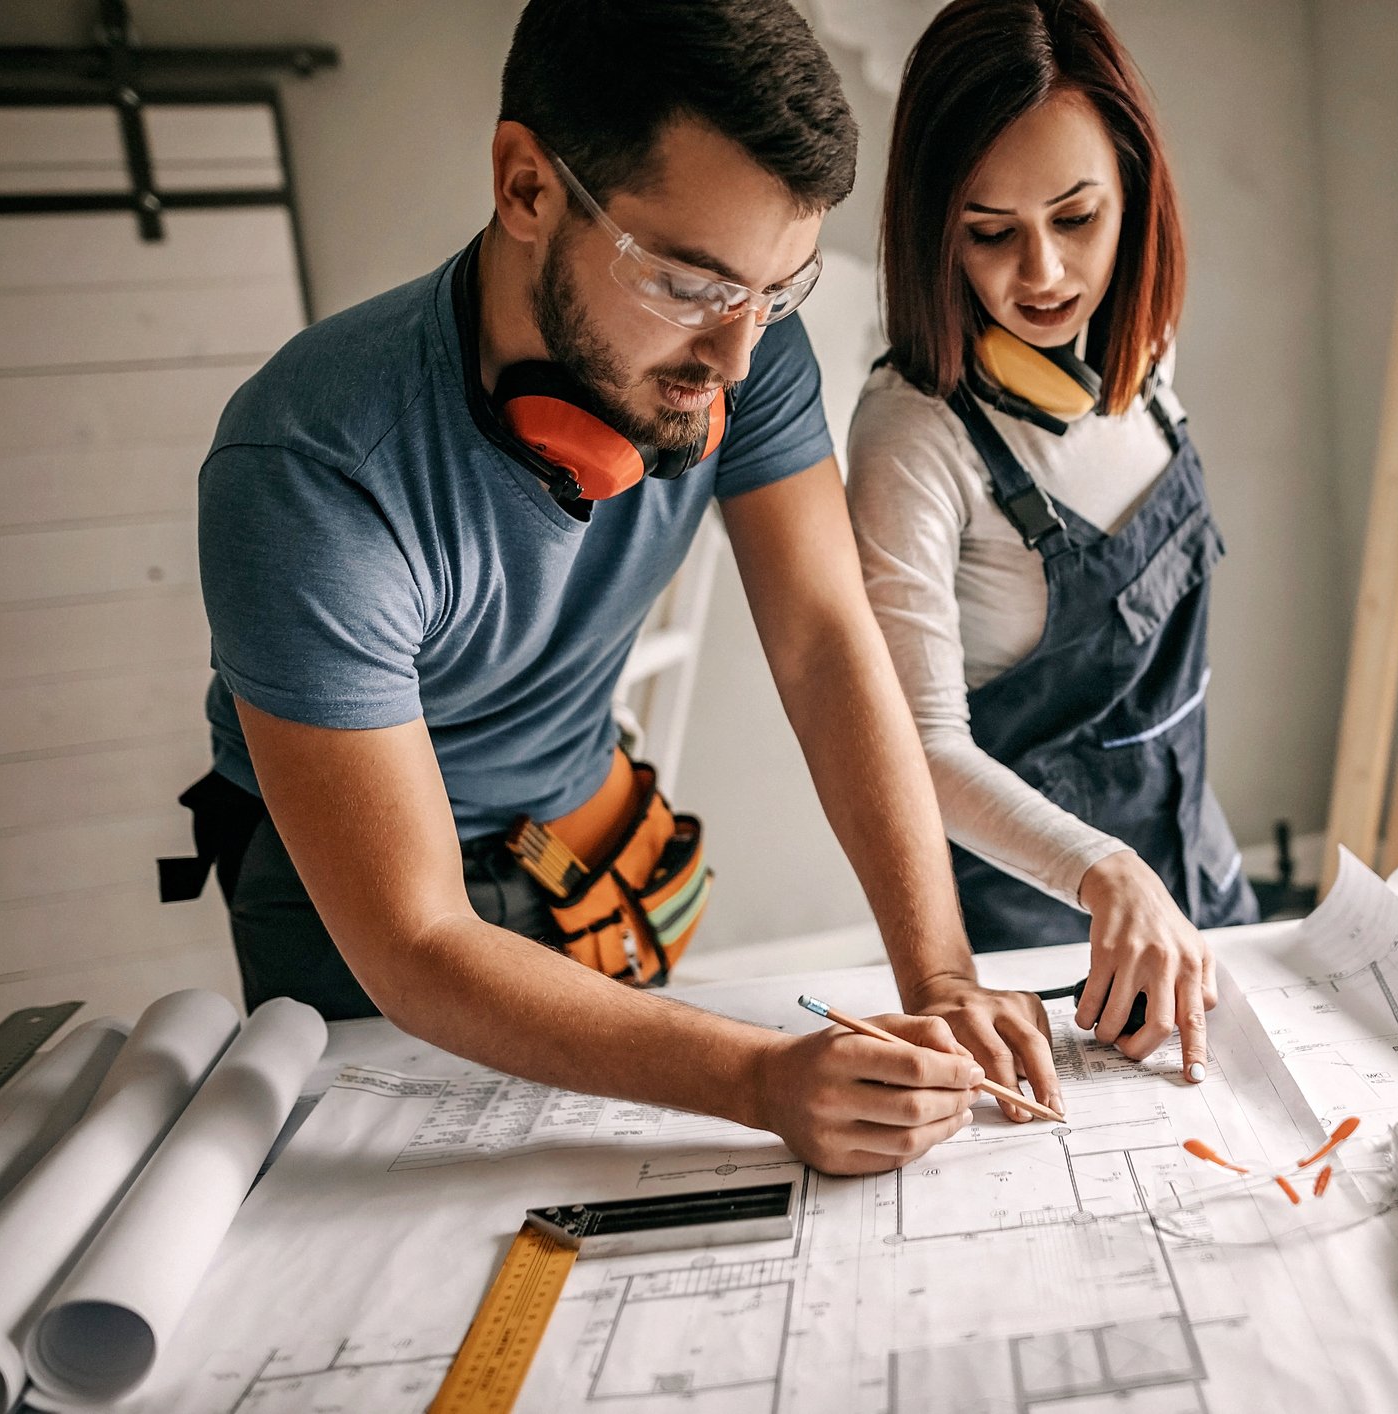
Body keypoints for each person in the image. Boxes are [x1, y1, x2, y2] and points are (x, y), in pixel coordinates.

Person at [163, 0, 1065, 1174]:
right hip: (360, 915)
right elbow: (417, 934)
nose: (737, 357)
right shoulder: (308, 467)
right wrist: (755, 1076)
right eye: (691, 285)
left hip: (584, 848)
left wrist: (941, 975)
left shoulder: (744, 351)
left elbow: (827, 642)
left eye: (776, 291)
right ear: (527, 187)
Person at [847, 0, 1257, 1086]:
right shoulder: (913, 438)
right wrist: (1104, 869)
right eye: (991, 232)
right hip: (1037, 943)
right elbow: (919, 753)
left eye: (1078, 218)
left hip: (1203, 891)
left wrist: (1164, 882)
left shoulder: (1143, 350)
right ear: (937, 227)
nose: (1044, 275)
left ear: (1134, 190)